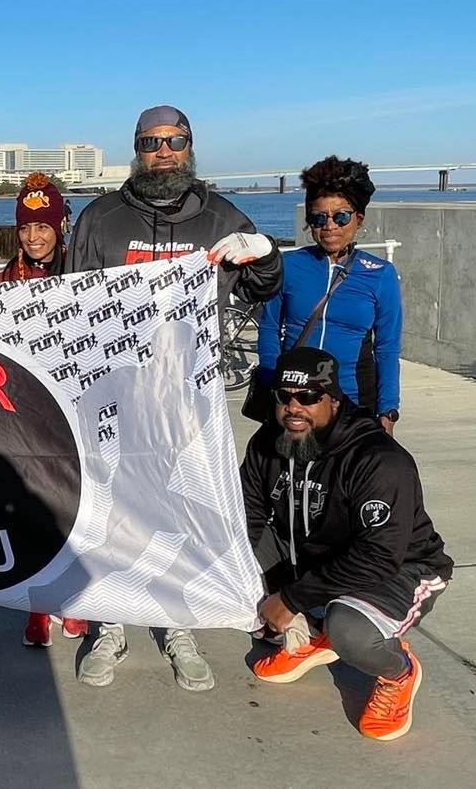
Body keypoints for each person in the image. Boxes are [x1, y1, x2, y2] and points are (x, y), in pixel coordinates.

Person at [67, 104, 283, 691]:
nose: (163, 152)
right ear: (136, 149)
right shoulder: (100, 219)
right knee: (112, 512)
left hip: (190, 401)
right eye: (151, 142)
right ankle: (109, 623)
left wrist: (264, 254)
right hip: (115, 398)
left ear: (191, 146)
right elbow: (70, 308)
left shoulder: (221, 217)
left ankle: (178, 623)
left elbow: (265, 286)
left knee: (182, 510)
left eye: (175, 141)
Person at [239, 346, 452, 740]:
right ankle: (314, 631)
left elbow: (378, 557)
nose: (294, 408)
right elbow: (245, 518)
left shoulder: (378, 459)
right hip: (320, 556)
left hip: (401, 568)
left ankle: (397, 672)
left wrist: (289, 600)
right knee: (235, 563)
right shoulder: (266, 443)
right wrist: (237, 582)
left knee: (350, 630)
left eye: (308, 397)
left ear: (333, 399)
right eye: (284, 397)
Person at [0, 172, 90, 647]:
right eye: (26, 228)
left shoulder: (83, 272)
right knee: (30, 512)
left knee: (74, 507)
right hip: (25, 415)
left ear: (59, 226)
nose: (34, 237)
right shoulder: (0, 282)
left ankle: (73, 600)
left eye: (43, 226)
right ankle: (38, 606)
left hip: (74, 413)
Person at [257, 156, 403, 434]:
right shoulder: (289, 266)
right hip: (296, 402)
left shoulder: (380, 274)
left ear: (358, 219)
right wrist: (270, 383)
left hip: (353, 401)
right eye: (319, 217)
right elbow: (269, 328)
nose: (330, 226)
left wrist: (388, 410)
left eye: (341, 216)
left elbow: (387, 348)